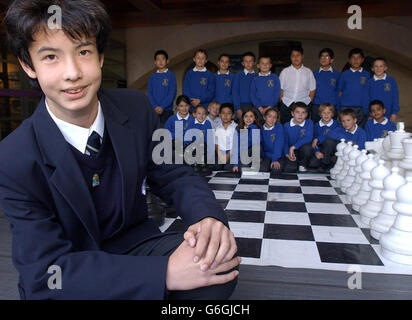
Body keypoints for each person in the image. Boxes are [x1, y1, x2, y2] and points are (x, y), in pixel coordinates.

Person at [0, 0, 239, 300]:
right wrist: (163, 274)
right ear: (28, 65)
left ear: (100, 57)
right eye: (50, 57)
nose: (72, 73)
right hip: (70, 268)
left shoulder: (135, 108)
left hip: (135, 247)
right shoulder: (13, 157)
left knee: (217, 266)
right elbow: (47, 273)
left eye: (83, 52)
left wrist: (208, 218)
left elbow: (175, 175)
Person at [278, 47, 316, 124]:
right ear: (290, 57)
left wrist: (308, 102)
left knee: (302, 129)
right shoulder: (285, 71)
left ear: (302, 56)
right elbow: (280, 89)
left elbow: (312, 89)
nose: (295, 58)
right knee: (286, 127)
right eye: (293, 56)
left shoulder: (308, 72)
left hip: (304, 104)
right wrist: (282, 101)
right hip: (287, 104)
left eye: (298, 55)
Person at [337, 48, 370, 128]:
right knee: (345, 130)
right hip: (346, 107)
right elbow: (339, 92)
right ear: (349, 60)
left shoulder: (367, 75)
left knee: (360, 129)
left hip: (361, 108)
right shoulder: (344, 74)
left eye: (358, 58)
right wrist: (339, 108)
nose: (356, 60)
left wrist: (367, 110)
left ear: (362, 60)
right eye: (353, 58)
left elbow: (368, 93)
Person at [363, 57, 400, 123]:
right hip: (374, 115)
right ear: (372, 69)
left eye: (381, 66)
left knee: (388, 133)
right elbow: (365, 100)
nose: (378, 68)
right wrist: (369, 114)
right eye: (376, 66)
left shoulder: (391, 81)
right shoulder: (369, 82)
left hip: (389, 115)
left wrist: (394, 113)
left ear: (385, 68)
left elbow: (395, 97)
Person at [147, 50, 177, 126]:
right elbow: (149, 93)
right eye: (158, 59)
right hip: (154, 110)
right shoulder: (152, 77)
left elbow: (172, 93)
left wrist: (162, 107)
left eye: (162, 59)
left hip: (167, 111)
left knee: (166, 134)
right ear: (155, 62)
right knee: (155, 134)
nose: (160, 61)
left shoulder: (171, 76)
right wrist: (155, 106)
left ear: (167, 61)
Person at [282, 102, 314, 173]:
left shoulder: (309, 123)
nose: (300, 115)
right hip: (292, 151)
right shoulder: (286, 126)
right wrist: (287, 153)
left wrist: (293, 146)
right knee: (289, 169)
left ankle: (302, 164)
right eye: (297, 112)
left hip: (303, 150)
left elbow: (308, 138)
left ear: (306, 115)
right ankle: (296, 163)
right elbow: (285, 141)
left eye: (303, 112)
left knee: (309, 150)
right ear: (292, 113)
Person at [308, 103, 339, 172]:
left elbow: (331, 134)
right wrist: (317, 152)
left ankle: (326, 163)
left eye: (328, 112)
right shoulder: (316, 125)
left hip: (332, 149)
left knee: (328, 141)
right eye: (324, 113)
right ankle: (327, 163)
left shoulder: (336, 124)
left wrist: (319, 138)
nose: (326, 115)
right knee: (312, 164)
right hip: (321, 148)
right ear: (320, 114)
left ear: (332, 114)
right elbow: (314, 141)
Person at [312, 48, 340, 123]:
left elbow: (339, 91)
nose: (324, 59)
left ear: (331, 60)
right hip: (317, 105)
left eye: (327, 57)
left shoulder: (337, 74)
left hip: (331, 105)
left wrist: (337, 106)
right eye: (322, 56)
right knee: (316, 127)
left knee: (332, 127)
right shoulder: (314, 74)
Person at [250, 56, 281, 123]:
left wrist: (269, 107)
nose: (265, 65)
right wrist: (260, 108)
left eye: (267, 63)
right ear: (258, 65)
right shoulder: (255, 79)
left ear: (270, 65)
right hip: (257, 108)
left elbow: (277, 93)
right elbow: (252, 95)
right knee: (256, 128)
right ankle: (256, 134)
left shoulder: (275, 77)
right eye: (262, 63)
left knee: (272, 127)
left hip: (272, 107)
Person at [232, 108, 261, 173]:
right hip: (240, 154)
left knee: (243, 169)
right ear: (242, 118)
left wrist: (252, 127)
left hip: (251, 153)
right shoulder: (237, 129)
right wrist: (235, 164)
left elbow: (256, 143)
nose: (248, 119)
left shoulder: (256, 128)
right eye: (246, 116)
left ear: (255, 118)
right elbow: (235, 146)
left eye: (251, 116)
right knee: (230, 168)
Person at [232, 52, 257, 121]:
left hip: (255, 107)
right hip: (241, 106)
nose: (248, 63)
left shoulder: (257, 77)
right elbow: (235, 93)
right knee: (243, 129)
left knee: (255, 128)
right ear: (242, 63)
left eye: (250, 61)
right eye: (246, 61)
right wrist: (238, 108)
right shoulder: (238, 76)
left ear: (254, 63)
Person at [214, 103, 238, 171]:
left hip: (232, 153)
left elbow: (236, 145)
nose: (225, 116)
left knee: (228, 168)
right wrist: (220, 155)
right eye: (223, 113)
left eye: (229, 113)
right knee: (215, 165)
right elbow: (216, 144)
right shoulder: (217, 128)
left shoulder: (236, 127)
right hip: (221, 152)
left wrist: (227, 156)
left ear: (233, 115)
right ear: (219, 115)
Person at [190, 105, 213, 176]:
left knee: (203, 145)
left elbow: (209, 137)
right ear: (194, 114)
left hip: (203, 145)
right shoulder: (191, 122)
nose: (201, 116)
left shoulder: (207, 123)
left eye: (203, 114)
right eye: (199, 113)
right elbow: (189, 136)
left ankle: (203, 164)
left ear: (206, 115)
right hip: (192, 145)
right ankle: (195, 164)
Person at [260, 108, 284, 174]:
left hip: (278, 156)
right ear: (264, 117)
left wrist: (275, 159)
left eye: (274, 117)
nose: (272, 119)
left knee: (275, 170)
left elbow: (278, 144)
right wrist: (259, 157)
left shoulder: (279, 127)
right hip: (266, 156)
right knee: (262, 169)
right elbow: (259, 144)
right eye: (269, 116)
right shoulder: (260, 128)